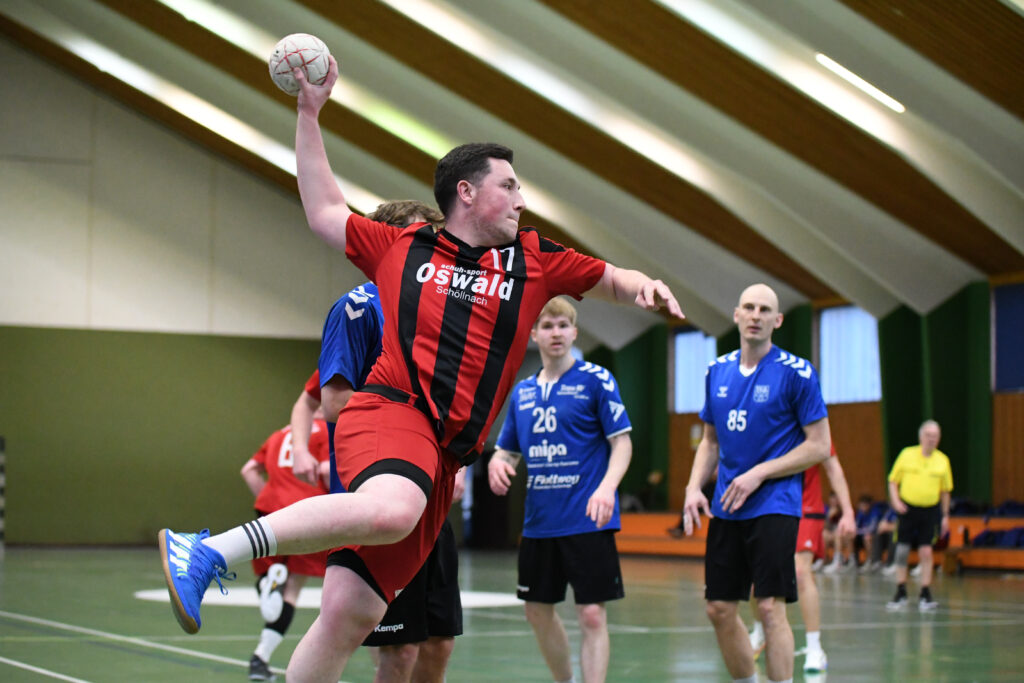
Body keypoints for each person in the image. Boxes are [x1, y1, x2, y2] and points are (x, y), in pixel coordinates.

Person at [158, 55, 683, 683]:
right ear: (467, 192)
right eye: (509, 186)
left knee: (350, 614)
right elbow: (325, 211)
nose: (521, 199)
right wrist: (308, 114)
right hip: (392, 412)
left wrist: (644, 285)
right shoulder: (404, 248)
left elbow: (611, 279)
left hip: (446, 457)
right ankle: (208, 550)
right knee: (390, 512)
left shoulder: (533, 259)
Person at [293, 199, 466, 683]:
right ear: (386, 241)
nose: (435, 248)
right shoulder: (358, 307)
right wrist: (412, 428)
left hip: (431, 501)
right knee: (399, 650)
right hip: (380, 494)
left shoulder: (440, 312)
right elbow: (332, 402)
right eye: (422, 236)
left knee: (438, 643)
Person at [681, 283, 830, 683]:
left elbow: (819, 446)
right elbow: (710, 442)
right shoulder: (717, 371)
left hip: (775, 503)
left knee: (768, 607)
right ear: (736, 315)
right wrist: (693, 486)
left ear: (777, 321)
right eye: (749, 307)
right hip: (728, 506)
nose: (756, 315)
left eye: (765, 310)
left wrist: (760, 472)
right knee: (719, 609)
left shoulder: (797, 373)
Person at [489, 297, 632, 683]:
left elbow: (622, 442)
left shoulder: (596, 380)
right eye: (548, 326)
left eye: (563, 325)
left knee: (592, 613)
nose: (556, 333)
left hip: (587, 518)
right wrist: (498, 462)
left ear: (574, 332)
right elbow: (507, 449)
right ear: (534, 334)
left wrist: (607, 488)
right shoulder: (523, 392)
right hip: (540, 523)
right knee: (536, 611)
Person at [238, 414, 331, 680]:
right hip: (307, 511)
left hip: (270, 511)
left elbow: (248, 470)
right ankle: (260, 658)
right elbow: (326, 470)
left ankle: (267, 585)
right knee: (293, 588)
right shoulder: (327, 432)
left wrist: (270, 500)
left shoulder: (279, 434)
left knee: (272, 573)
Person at [747, 445, 855, 673]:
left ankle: (815, 647)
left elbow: (833, 468)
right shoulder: (767, 427)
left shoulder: (812, 428)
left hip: (806, 507)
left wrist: (847, 511)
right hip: (768, 506)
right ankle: (759, 631)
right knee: (756, 577)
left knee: (800, 573)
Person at [885, 420, 953, 612]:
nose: (932, 439)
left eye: (935, 436)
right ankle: (900, 591)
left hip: (930, 511)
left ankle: (925, 592)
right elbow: (893, 480)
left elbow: (945, 491)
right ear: (921, 436)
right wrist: (896, 501)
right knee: (902, 550)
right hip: (907, 509)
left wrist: (945, 515)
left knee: (926, 551)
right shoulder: (907, 454)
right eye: (928, 435)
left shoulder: (943, 461)